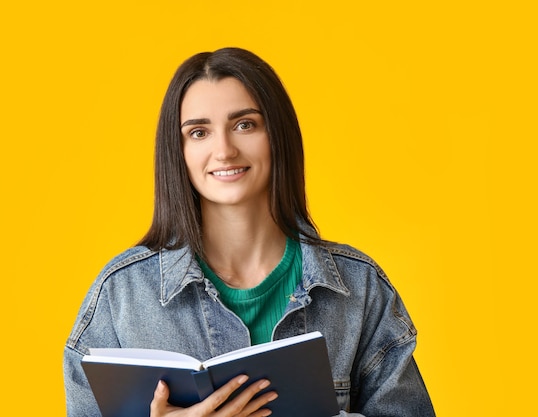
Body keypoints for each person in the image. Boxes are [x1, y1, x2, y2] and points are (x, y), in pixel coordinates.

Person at [63, 47, 436, 417]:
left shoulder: (359, 289)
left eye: (245, 125)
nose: (224, 150)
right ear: (177, 151)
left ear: (277, 136)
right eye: (199, 132)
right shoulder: (122, 297)